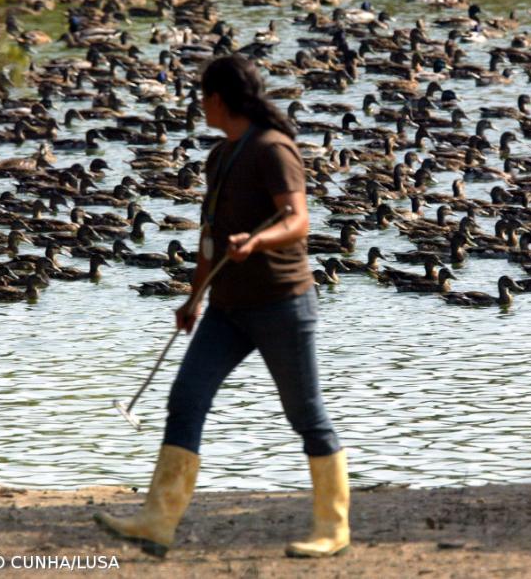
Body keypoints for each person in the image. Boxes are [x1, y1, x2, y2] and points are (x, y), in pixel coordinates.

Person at [94, 55, 349, 559]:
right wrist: (193, 298)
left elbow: (299, 222)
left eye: (201, 95)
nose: (198, 104)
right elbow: (209, 239)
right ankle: (157, 522)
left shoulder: (274, 149)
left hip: (282, 304)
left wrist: (258, 243)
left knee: (306, 415)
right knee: (186, 397)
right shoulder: (219, 157)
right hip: (227, 310)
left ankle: (332, 528)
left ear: (216, 99)